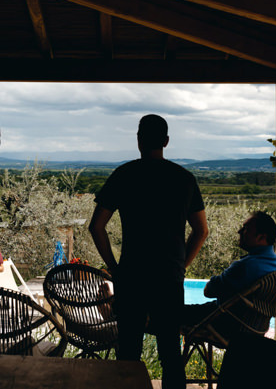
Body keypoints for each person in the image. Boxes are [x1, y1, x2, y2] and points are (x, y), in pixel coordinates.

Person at [89, 114, 209, 389]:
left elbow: (96, 227)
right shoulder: (184, 179)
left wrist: (114, 268)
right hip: (169, 277)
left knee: (128, 353)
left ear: (139, 140)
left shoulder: (124, 175)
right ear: (166, 141)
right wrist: (181, 265)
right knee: (171, 355)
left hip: (132, 275)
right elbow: (201, 231)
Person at [181, 211, 276, 338]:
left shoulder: (246, 267)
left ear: (261, 237)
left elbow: (208, 291)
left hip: (226, 324)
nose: (239, 231)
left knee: (170, 313)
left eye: (246, 229)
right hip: (251, 327)